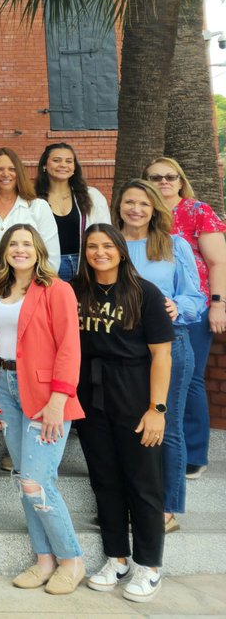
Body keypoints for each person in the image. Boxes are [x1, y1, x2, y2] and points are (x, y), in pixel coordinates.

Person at [0, 224, 85, 594]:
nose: (19, 250)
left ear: (38, 250)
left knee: (36, 481)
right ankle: (43, 560)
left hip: (45, 394)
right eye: (13, 244)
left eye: (27, 244)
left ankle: (72, 561)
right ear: (4, 251)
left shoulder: (57, 290)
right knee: (24, 478)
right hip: (5, 390)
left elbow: (70, 346)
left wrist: (59, 399)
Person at [72, 224, 172, 603]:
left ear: (120, 249)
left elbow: (162, 354)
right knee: (105, 479)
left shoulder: (144, 292)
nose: (100, 252)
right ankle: (117, 558)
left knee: (143, 482)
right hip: (90, 392)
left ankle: (150, 566)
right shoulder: (75, 291)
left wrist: (156, 409)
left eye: (107, 245)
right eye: (92, 246)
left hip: (134, 390)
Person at [113, 179, 201, 532]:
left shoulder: (173, 245)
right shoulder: (111, 244)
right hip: (123, 347)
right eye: (129, 202)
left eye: (144, 204)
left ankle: (166, 508)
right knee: (130, 428)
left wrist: (175, 305)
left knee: (168, 425)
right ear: (118, 205)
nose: (135, 209)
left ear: (155, 209)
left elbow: (194, 297)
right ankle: (137, 501)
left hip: (169, 343)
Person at [144, 156, 226, 479]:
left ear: (180, 181)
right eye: (155, 177)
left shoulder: (197, 211)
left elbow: (217, 262)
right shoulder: (143, 213)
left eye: (170, 176)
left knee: (189, 378)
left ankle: (194, 453)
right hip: (152, 310)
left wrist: (218, 304)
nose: (163, 182)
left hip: (193, 308)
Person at [0, 147, 61, 273]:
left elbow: (51, 259)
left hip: (30, 287)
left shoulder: (39, 207)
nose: (6, 174)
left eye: (12, 169)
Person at [35, 143, 112, 281]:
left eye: (69, 161)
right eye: (56, 160)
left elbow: (106, 233)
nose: (63, 165)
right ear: (44, 165)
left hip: (85, 265)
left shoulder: (92, 196)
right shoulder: (33, 200)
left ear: (74, 167)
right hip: (48, 267)